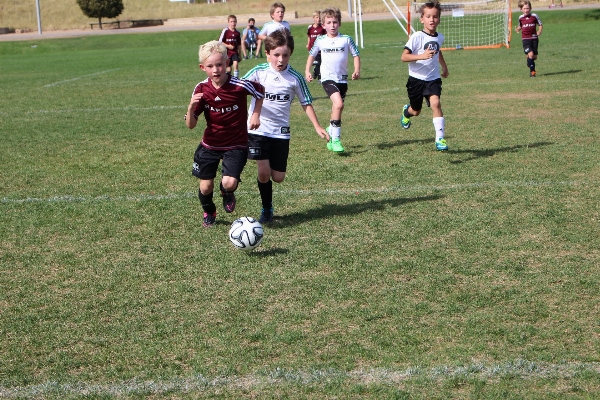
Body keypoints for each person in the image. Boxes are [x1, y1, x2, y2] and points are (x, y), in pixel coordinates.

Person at [243, 30, 329, 223]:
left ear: (290, 54)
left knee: (279, 177)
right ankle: (266, 208)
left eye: (285, 55)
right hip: (259, 130)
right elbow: (238, 87)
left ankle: (267, 202)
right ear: (267, 54)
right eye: (276, 55)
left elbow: (306, 102)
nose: (280, 60)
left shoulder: (295, 78)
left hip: (281, 133)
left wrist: (317, 126)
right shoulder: (258, 72)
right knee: (263, 172)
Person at [185, 41, 265, 228]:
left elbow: (260, 91)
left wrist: (255, 114)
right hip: (210, 144)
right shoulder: (201, 89)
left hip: (236, 143)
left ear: (227, 63)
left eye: (219, 64)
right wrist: (190, 108)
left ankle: (226, 192)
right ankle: (209, 210)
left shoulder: (239, 85)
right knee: (205, 187)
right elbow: (191, 125)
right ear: (202, 67)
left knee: (229, 183)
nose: (216, 70)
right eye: (210, 66)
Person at [305, 7, 360, 153]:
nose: (332, 25)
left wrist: (356, 70)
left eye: (335, 22)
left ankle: (331, 128)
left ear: (339, 23)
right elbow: (311, 55)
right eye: (329, 22)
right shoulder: (320, 40)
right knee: (338, 104)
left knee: (338, 107)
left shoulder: (346, 39)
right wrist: (307, 71)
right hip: (327, 78)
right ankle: (336, 140)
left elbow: (356, 54)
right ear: (323, 25)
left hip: (342, 79)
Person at [399, 1, 449, 151]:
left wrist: (444, 66)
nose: (432, 20)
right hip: (416, 79)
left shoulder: (440, 37)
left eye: (435, 16)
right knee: (416, 110)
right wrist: (422, 56)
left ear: (439, 19)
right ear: (422, 19)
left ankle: (440, 139)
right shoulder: (417, 37)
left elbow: (438, 51)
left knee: (436, 104)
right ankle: (406, 112)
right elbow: (404, 57)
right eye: (428, 16)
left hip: (433, 79)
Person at [515, 0, 543, 78]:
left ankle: (529, 60)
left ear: (530, 8)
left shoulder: (534, 16)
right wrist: (518, 29)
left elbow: (540, 24)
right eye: (524, 8)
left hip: (534, 38)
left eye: (527, 8)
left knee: (534, 57)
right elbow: (521, 26)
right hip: (525, 39)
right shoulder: (520, 18)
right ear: (521, 9)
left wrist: (539, 31)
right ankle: (532, 72)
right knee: (531, 54)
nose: (526, 10)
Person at [306, 10, 327, 80]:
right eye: (317, 17)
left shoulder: (322, 28)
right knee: (318, 63)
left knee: (320, 63)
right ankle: (317, 74)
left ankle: (317, 74)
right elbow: (309, 36)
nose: (319, 19)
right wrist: (308, 44)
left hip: (320, 49)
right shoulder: (310, 28)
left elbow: (326, 36)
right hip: (312, 48)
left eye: (320, 18)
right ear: (314, 18)